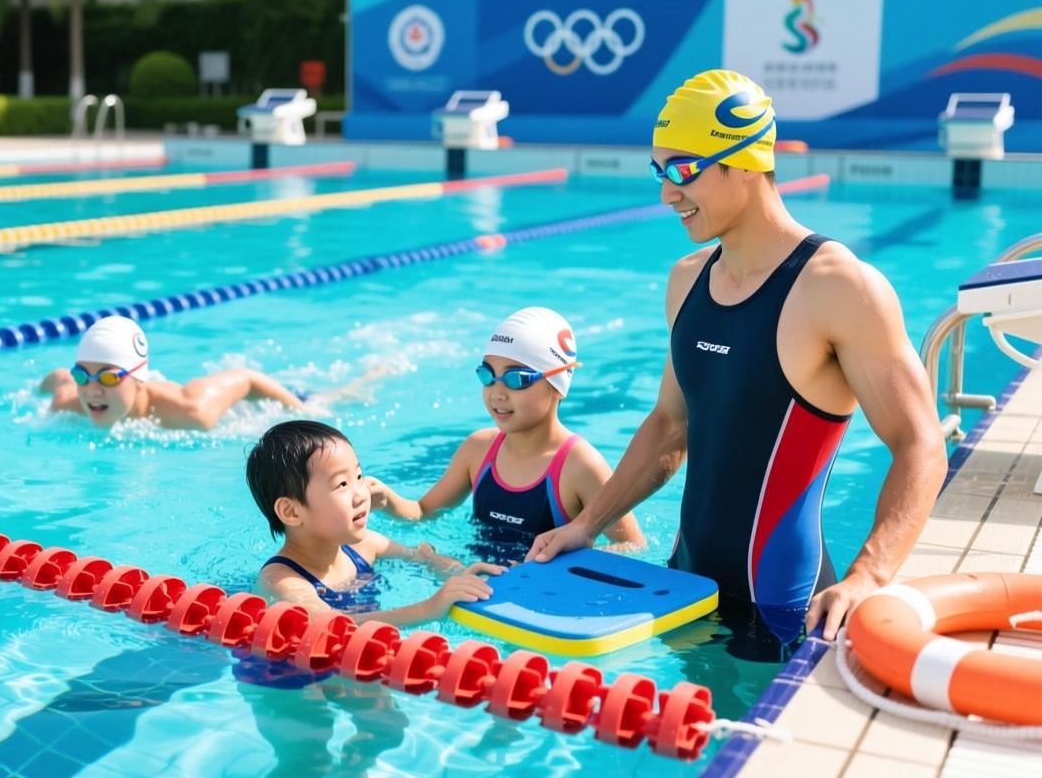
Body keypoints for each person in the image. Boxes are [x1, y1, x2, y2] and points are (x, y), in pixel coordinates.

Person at [525, 70, 946, 653]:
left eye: (683, 169)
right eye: (659, 170)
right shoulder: (686, 281)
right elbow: (671, 426)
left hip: (783, 611)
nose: (667, 193)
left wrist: (868, 575)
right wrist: (585, 524)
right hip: (679, 591)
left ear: (744, 162)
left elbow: (920, 442)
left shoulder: (840, 287)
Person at [365, 307, 646, 563]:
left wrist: (551, 568)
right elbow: (425, 512)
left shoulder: (580, 465)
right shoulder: (478, 450)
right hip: (474, 586)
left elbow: (633, 546)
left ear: (557, 385)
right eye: (487, 376)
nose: (497, 392)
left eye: (516, 379)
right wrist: (388, 501)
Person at [245, 418, 504, 625]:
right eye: (342, 484)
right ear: (291, 512)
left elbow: (422, 557)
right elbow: (338, 627)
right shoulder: (283, 583)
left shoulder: (364, 546)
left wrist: (459, 574)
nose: (361, 492)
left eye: (359, 476)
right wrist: (428, 608)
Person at [39, 315, 360, 430]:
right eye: (83, 375)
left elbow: (247, 379)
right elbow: (58, 378)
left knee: (340, 398)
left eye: (109, 377)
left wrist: (300, 411)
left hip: (266, 399)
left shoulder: (191, 411)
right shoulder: (67, 404)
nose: (92, 389)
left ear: (139, 378)